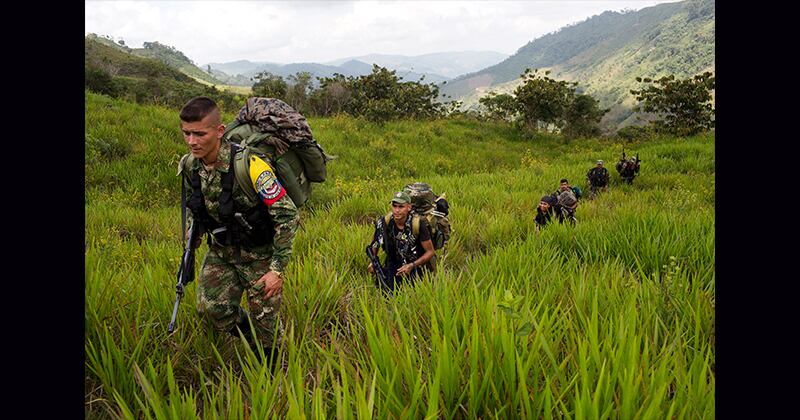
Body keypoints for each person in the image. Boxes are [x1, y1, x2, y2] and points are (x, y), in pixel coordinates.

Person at [177, 96, 299, 368]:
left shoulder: (250, 165)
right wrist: (192, 233)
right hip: (222, 251)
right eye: (186, 133)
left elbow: (288, 214)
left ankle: (272, 374)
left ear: (219, 131)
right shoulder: (189, 165)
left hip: (260, 256)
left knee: (266, 324)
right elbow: (195, 204)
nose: (192, 141)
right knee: (210, 308)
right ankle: (250, 336)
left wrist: (277, 270)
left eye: (200, 134)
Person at [368, 191, 436, 292]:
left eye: (401, 207)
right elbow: (376, 243)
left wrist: (411, 265)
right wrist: (372, 261)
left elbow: (430, 251)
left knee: (417, 292)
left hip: (415, 263)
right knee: (388, 290)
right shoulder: (385, 222)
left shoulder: (417, 224)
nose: (397, 210)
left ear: (409, 207)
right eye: (394, 206)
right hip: (394, 261)